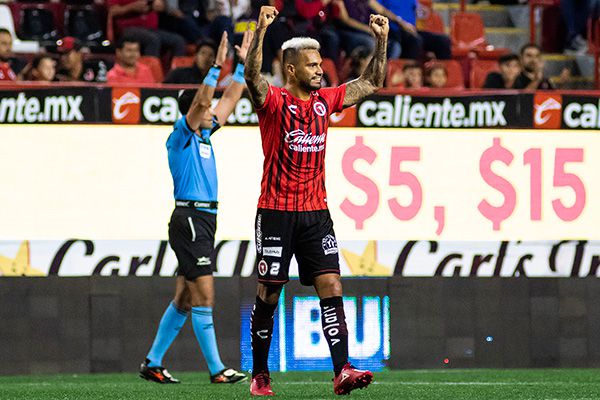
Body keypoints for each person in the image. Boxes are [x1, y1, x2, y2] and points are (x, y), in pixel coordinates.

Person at [244, 6, 388, 396]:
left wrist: (381, 39)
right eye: (311, 64)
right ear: (291, 69)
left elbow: (372, 82)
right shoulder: (273, 102)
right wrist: (260, 31)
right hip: (275, 213)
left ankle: (342, 369)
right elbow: (251, 77)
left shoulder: (326, 102)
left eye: (320, 63)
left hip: (316, 214)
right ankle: (260, 375)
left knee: (332, 284)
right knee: (269, 292)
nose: (319, 69)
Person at [139, 30, 253, 385]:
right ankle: (217, 370)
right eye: (205, 108)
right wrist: (216, 65)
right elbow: (205, 101)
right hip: (189, 217)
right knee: (205, 293)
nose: (213, 112)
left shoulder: (205, 133)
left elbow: (231, 98)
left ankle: (152, 362)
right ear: (196, 110)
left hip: (203, 219)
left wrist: (241, 64)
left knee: (185, 299)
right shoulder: (181, 135)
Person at [108, 0, 186, 57]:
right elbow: (112, 11)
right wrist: (131, 7)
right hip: (127, 29)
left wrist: (161, 5)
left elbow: (163, 6)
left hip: (151, 29)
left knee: (178, 41)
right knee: (152, 39)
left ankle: (176, 76)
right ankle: (150, 74)